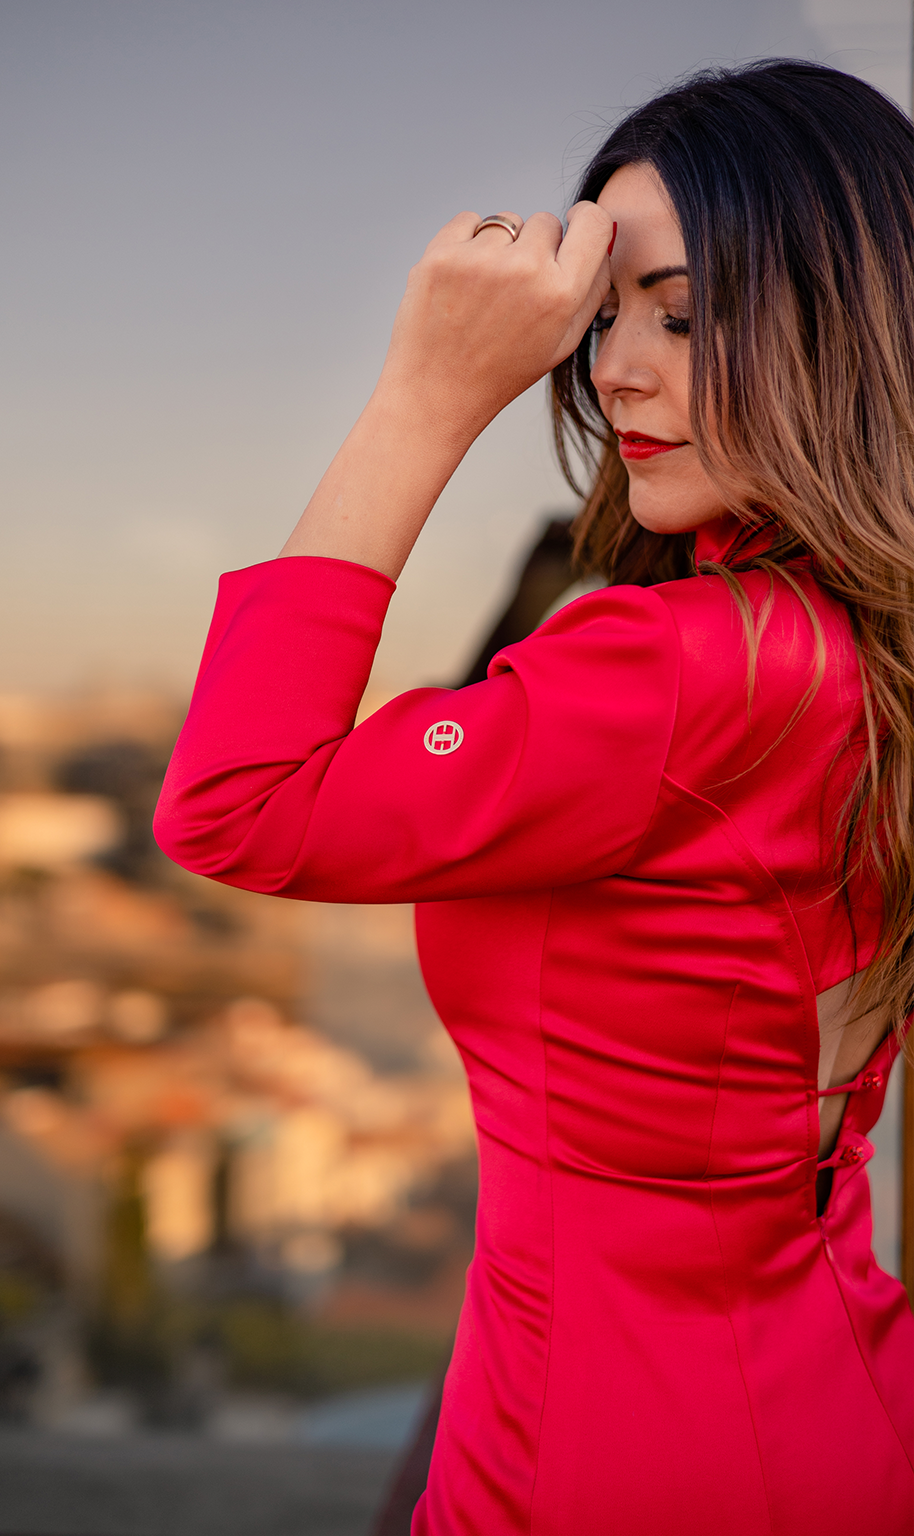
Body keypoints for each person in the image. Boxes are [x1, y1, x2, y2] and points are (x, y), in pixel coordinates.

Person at [154, 60, 914, 1535]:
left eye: (687, 317)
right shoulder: (845, 644)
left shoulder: (688, 670)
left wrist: (425, 397)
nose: (618, 370)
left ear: (846, 324)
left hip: (619, 1445)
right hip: (821, 1376)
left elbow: (234, 802)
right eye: (601, 321)